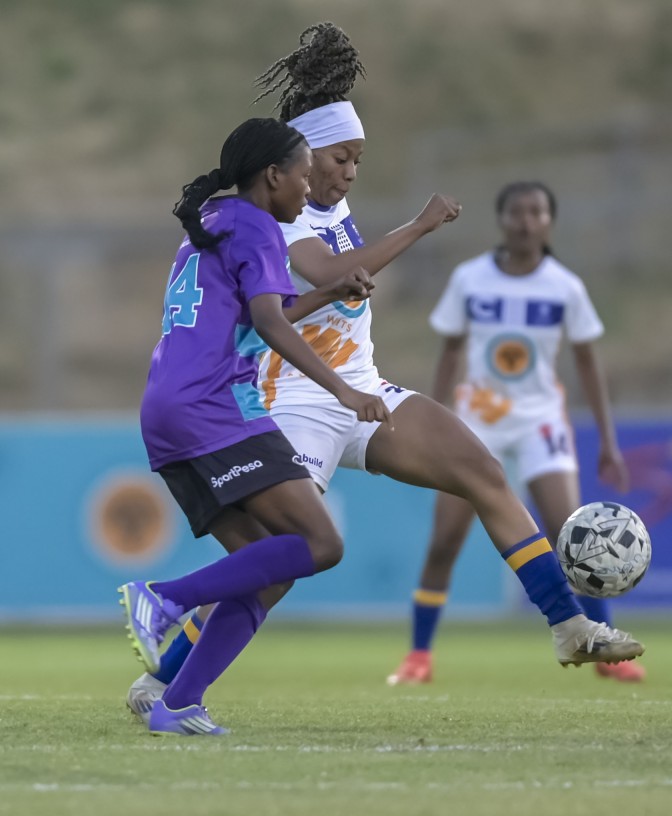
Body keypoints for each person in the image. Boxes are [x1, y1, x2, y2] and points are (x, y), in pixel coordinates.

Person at [125, 22, 644, 719]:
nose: (348, 173)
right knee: (282, 562)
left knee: (481, 470)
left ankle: (569, 625)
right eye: (339, 158)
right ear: (297, 163)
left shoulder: (318, 199)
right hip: (292, 399)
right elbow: (330, 273)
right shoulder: (273, 219)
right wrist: (419, 225)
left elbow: (325, 280)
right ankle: (165, 681)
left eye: (357, 160)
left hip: (364, 388)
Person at [123, 116, 390, 735]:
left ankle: (179, 703)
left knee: (264, 561)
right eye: (304, 175)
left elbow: (267, 308)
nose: (310, 188)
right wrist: (345, 390)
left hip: (168, 407)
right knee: (321, 544)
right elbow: (269, 324)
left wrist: (331, 291)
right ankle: (164, 598)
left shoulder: (216, 218)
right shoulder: (259, 225)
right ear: (273, 176)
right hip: (215, 406)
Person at [386, 181, 646, 686]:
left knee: (574, 536)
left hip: (539, 420)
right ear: (501, 220)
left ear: (550, 222)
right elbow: (450, 351)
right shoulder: (470, 279)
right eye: (517, 213)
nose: (527, 222)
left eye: (537, 212)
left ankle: (606, 651)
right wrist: (431, 418)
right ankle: (419, 655)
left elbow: (587, 362)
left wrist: (608, 440)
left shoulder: (564, 286)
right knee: (445, 540)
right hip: (477, 419)